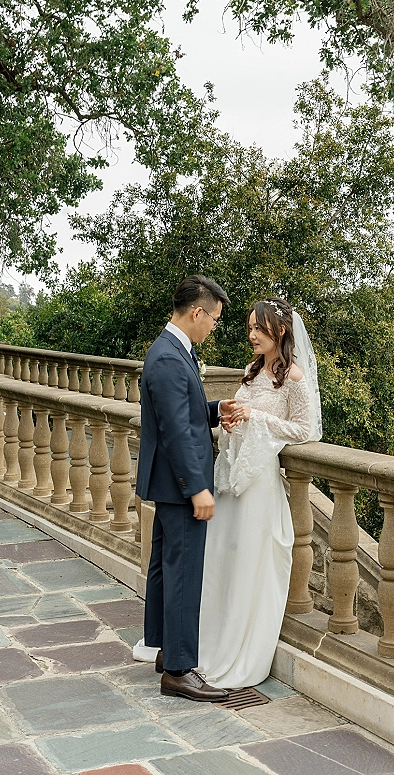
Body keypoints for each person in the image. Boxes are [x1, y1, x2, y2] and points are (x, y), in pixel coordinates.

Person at [197, 297, 322, 688]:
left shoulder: (294, 379)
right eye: (249, 327)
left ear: (280, 331)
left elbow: (306, 430)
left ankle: (242, 650)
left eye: (258, 329)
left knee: (252, 559)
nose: (251, 335)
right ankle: (209, 644)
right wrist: (231, 421)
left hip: (261, 484)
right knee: (224, 559)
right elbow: (237, 416)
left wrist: (258, 416)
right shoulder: (251, 371)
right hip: (234, 477)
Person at [134, 275, 238, 702]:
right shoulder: (169, 359)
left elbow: (184, 414)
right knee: (183, 574)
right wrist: (198, 488)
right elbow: (176, 431)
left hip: (167, 482)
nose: (213, 326)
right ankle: (179, 671)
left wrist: (215, 410)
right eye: (213, 318)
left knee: (164, 567)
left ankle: (164, 648)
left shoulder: (173, 352)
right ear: (197, 312)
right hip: (179, 486)